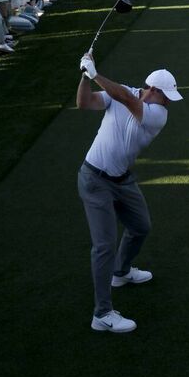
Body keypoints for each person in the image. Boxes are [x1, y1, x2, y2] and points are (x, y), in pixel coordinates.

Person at [76, 54, 182, 334]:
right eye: (167, 95)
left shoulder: (158, 115)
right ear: (153, 90)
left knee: (140, 226)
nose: (170, 101)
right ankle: (102, 314)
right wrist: (84, 76)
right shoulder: (122, 96)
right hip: (94, 178)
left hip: (121, 180)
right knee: (104, 246)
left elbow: (126, 97)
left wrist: (95, 73)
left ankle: (120, 272)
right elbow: (84, 103)